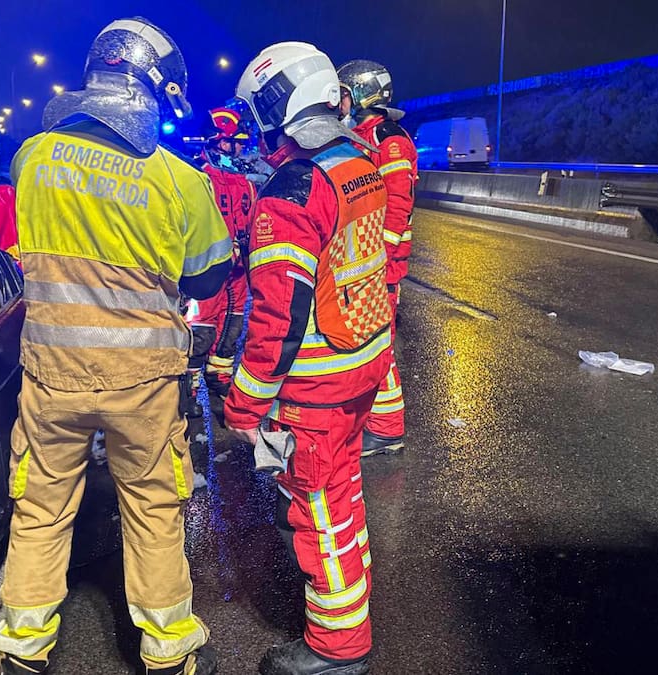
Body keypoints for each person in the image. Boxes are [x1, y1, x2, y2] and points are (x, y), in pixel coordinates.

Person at [0, 17, 230, 675]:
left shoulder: (33, 156)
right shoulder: (179, 179)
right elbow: (210, 273)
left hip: (50, 372)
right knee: (152, 507)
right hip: (141, 380)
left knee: (39, 506)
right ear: (151, 85)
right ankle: (167, 646)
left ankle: (25, 644)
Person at [225, 42, 393, 675]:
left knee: (317, 509)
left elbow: (277, 318)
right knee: (343, 498)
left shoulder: (292, 190)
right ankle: (351, 610)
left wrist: (244, 405)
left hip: (317, 387)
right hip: (363, 366)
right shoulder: (360, 164)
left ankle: (337, 650)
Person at [337, 60, 419, 457]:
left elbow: (397, 202)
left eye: (346, 93)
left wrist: (380, 257)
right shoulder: (362, 136)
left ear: (363, 96)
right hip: (365, 261)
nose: (341, 101)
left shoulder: (390, 140)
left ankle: (387, 429)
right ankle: (374, 421)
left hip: (380, 265)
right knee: (365, 340)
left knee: (378, 345)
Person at [187, 107, 256, 403]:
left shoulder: (247, 182)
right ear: (217, 141)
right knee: (201, 324)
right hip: (209, 268)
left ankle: (219, 374)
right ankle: (187, 381)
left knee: (232, 322)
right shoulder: (198, 177)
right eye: (234, 142)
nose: (240, 149)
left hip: (239, 270)